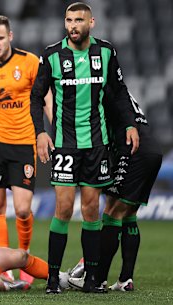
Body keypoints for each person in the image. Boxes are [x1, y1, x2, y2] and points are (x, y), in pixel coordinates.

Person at [29, 2, 139, 294]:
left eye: (79, 20)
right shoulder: (52, 54)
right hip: (65, 145)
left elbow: (118, 93)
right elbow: (36, 96)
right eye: (68, 20)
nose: (73, 25)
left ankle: (91, 279)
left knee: (91, 211)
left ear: (92, 22)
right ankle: (53, 278)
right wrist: (40, 133)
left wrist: (130, 124)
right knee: (63, 208)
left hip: (97, 145)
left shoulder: (105, 52)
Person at [0, 14, 48, 284]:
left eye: (1, 38)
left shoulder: (30, 62)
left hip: (24, 141)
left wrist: (45, 133)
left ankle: (23, 256)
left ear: (10, 36)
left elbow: (44, 98)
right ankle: (3, 268)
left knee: (23, 209)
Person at [65, 92, 162, 292]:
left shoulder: (100, 88)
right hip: (151, 150)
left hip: (133, 150)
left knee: (112, 213)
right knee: (129, 215)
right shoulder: (121, 91)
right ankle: (125, 280)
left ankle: (97, 279)